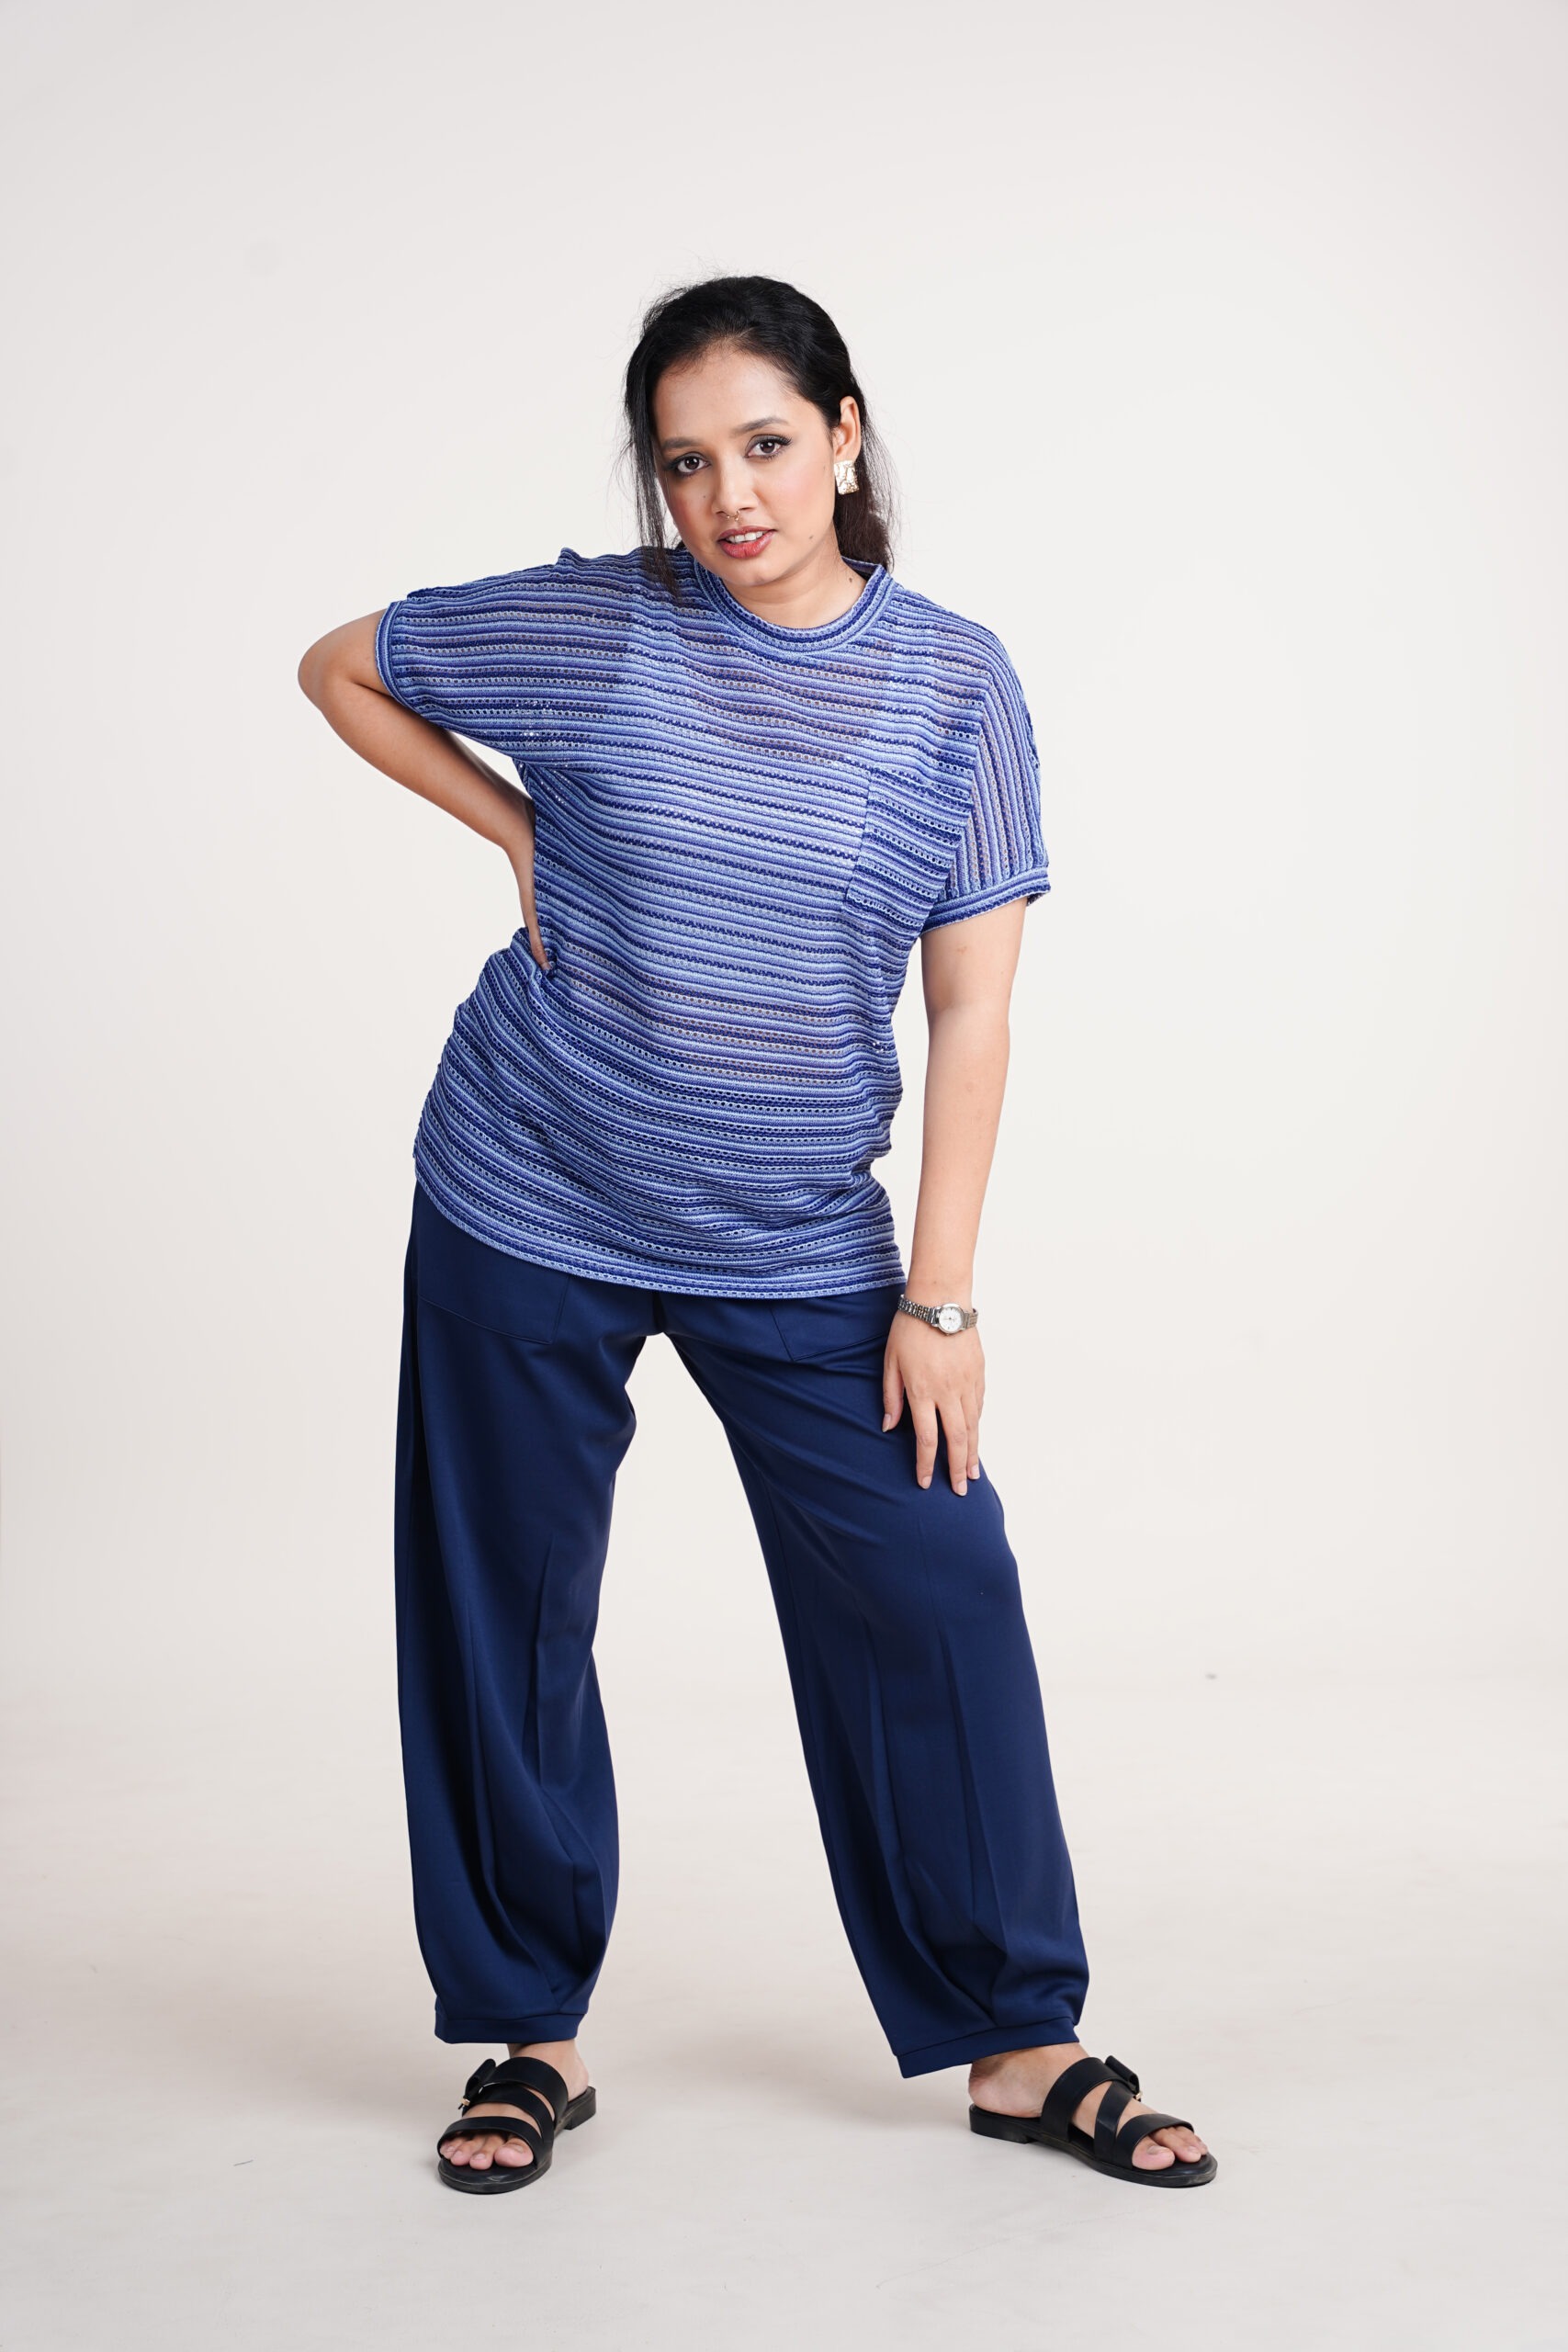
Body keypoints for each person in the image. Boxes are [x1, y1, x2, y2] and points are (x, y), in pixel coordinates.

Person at [297, 275, 1214, 2196]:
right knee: (505, 1609)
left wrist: (937, 1297)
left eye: (768, 445)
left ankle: (1017, 2038)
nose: (730, 496)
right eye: (687, 460)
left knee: (933, 1594)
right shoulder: (595, 624)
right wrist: (512, 827)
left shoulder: (953, 683)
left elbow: (971, 1005)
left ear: (847, 435)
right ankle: (526, 2032)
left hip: (796, 1235)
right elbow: (340, 665)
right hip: (526, 1187)